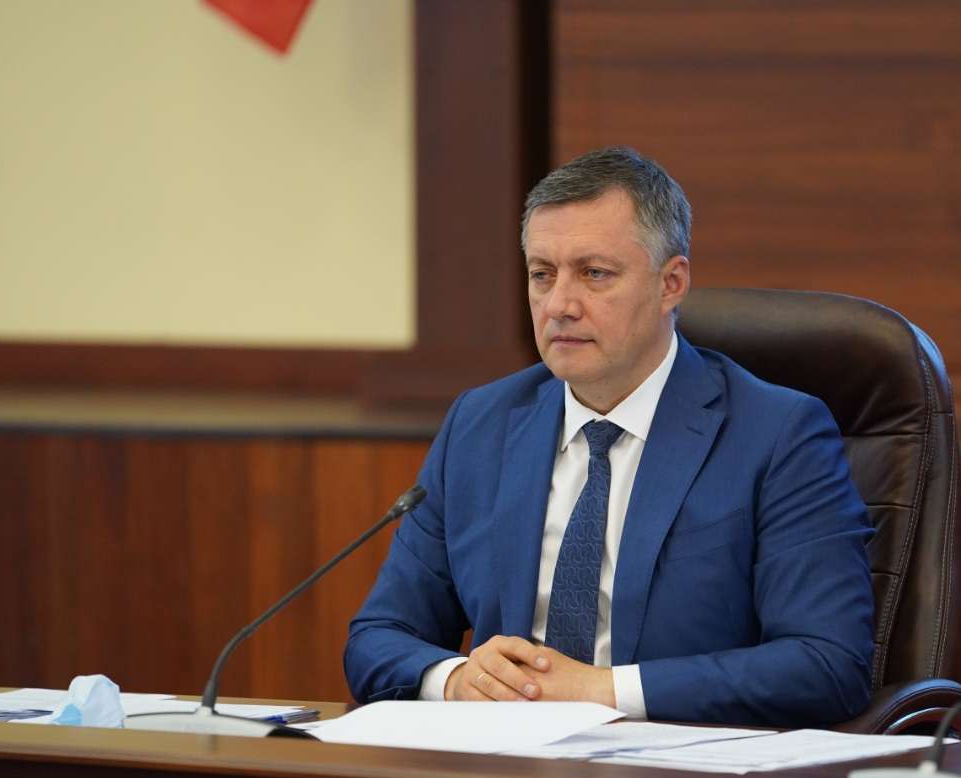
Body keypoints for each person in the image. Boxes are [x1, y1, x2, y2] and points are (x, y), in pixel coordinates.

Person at [345, 147, 874, 728]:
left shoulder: (778, 434)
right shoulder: (481, 423)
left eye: (594, 274)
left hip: (676, 765)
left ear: (671, 283)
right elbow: (379, 636)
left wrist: (603, 690)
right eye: (542, 275)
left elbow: (826, 664)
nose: (559, 306)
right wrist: (456, 679)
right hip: (505, 761)